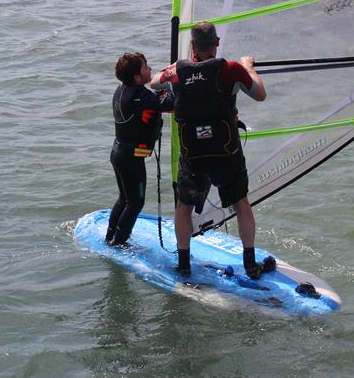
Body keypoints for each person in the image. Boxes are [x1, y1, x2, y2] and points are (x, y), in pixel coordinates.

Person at [150, 21, 272, 279]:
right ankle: (250, 264)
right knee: (241, 203)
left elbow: (153, 82)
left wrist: (177, 72)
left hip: (193, 155)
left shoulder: (175, 72)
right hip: (226, 154)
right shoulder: (231, 70)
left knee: (183, 206)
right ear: (216, 43)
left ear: (193, 45)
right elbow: (260, 94)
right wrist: (248, 67)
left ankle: (184, 264)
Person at [108, 52, 174, 246]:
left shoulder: (122, 90)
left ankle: (110, 237)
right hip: (131, 159)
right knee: (136, 203)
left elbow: (155, 101)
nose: (150, 69)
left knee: (124, 198)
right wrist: (171, 79)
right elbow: (170, 102)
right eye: (146, 67)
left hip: (118, 153)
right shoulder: (143, 98)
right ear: (137, 77)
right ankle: (119, 243)